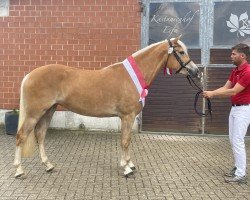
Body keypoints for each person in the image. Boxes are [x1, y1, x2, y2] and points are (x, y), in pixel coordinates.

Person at [203, 43, 250, 184]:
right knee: (233, 140)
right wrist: (211, 92)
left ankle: (241, 175)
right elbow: (226, 87)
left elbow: (234, 91)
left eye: (233, 54)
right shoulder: (235, 71)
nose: (231, 56)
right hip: (235, 108)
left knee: (238, 141)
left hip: (244, 109)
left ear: (242, 56)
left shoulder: (247, 72)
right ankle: (237, 168)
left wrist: (213, 94)